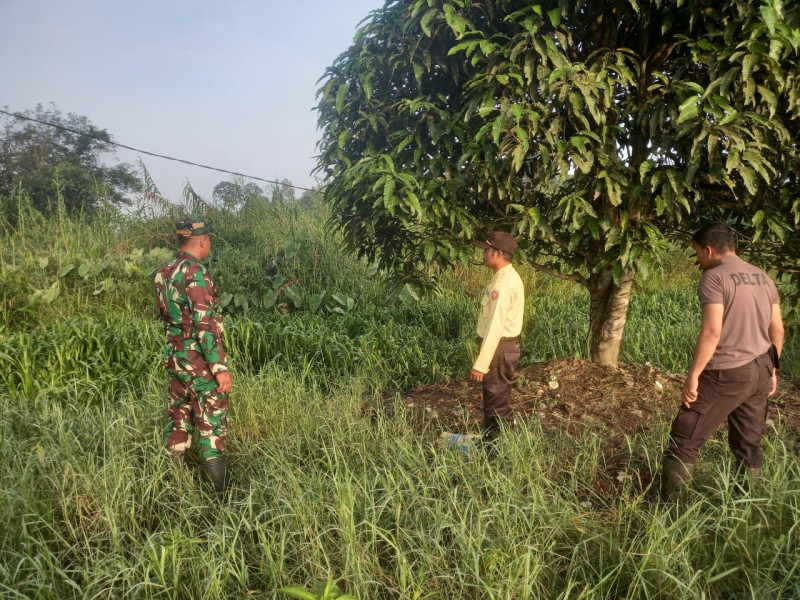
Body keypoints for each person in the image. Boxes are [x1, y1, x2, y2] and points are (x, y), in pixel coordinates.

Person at [660, 222, 784, 500]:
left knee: (685, 437)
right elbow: (778, 330)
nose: (699, 259)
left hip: (727, 371)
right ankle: (746, 506)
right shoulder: (763, 277)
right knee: (749, 442)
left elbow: (712, 331)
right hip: (762, 368)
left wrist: (693, 375)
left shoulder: (714, 278)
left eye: (697, 252)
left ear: (708, 249)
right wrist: (772, 369)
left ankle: (672, 511)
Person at [155, 218, 232, 493]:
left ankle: (171, 487)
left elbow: (168, 318)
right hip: (198, 360)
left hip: (174, 356)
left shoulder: (164, 272)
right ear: (203, 240)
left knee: (178, 414)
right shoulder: (195, 272)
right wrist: (219, 366)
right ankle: (220, 499)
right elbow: (205, 323)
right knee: (211, 420)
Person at [471, 231, 525, 445]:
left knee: (496, 399)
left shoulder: (503, 285)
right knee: (496, 396)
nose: (483, 254)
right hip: (501, 347)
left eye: (486, 250)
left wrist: (481, 365)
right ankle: (493, 443)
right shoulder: (502, 277)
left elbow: (495, 326)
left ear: (498, 253)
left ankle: (498, 449)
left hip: (499, 348)